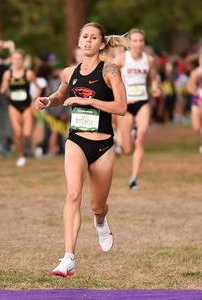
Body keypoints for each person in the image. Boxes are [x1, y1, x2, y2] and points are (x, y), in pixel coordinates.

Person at [35, 22, 127, 277]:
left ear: (101, 43)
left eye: (93, 37)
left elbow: (121, 107)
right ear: (78, 41)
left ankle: (100, 221)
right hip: (76, 140)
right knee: (73, 194)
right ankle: (68, 258)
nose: (87, 41)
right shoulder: (68, 72)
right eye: (84, 36)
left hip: (103, 144)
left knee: (97, 205)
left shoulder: (110, 70)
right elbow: (62, 95)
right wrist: (48, 101)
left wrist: (89, 101)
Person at [114, 28, 160, 190]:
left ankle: (134, 178)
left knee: (141, 139)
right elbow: (108, 75)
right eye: (135, 41)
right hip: (125, 105)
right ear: (129, 43)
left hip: (142, 103)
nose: (138, 44)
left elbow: (154, 77)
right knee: (127, 149)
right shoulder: (121, 59)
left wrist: (156, 87)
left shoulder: (149, 60)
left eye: (141, 41)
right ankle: (124, 138)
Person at [0, 50, 41, 167]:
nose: (16, 61)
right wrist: (3, 89)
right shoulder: (8, 74)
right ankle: (21, 156)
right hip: (13, 106)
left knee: (27, 133)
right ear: (11, 60)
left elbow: (39, 87)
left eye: (19, 59)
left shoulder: (28, 73)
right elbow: (3, 88)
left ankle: (29, 148)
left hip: (27, 106)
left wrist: (34, 101)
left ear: (23, 60)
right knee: (18, 132)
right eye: (14, 58)